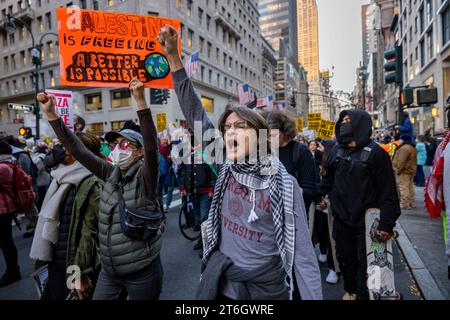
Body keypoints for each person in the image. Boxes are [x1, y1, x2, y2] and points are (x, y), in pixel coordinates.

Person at [158, 24, 322, 300]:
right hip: (225, 284)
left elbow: (303, 257)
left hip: (267, 289)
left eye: (241, 126)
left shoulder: (285, 185)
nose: (231, 131)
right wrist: (174, 58)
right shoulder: (225, 165)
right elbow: (195, 112)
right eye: (227, 126)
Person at [37, 77, 164, 300]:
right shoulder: (108, 173)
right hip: (109, 272)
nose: (118, 148)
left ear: (139, 152)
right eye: (115, 144)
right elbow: (78, 149)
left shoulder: (146, 178)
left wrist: (140, 101)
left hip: (141, 271)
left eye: (125, 144)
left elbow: (152, 146)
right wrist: (52, 115)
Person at [317, 109, 401, 300]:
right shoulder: (336, 152)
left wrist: (387, 224)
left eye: (348, 120)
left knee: (370, 269)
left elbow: (388, 193)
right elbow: (326, 183)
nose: (344, 124)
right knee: (345, 262)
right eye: (342, 120)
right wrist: (317, 196)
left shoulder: (376, 154)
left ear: (360, 124)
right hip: (341, 222)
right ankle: (352, 292)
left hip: (369, 226)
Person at [30, 133, 103, 300]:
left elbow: (87, 236)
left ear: (79, 152)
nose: (60, 151)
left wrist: (77, 274)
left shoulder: (88, 182)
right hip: (58, 262)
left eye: (65, 147)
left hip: (71, 267)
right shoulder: (61, 178)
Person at [261, 110, 318, 212]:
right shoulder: (265, 151)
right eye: (266, 136)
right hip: (267, 215)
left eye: (273, 135)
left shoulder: (301, 152)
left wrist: (284, 189)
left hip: (293, 215)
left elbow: (310, 192)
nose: (269, 139)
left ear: (285, 131)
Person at [177, 131, 216, 252]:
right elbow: (184, 171)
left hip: (205, 191)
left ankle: (207, 245)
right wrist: (183, 187)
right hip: (193, 191)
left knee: (205, 217)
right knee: (198, 217)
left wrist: (211, 188)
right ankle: (202, 240)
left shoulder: (207, 152)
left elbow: (213, 171)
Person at [6, 136, 39, 238]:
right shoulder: (16, 154)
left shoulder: (20, 154)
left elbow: (25, 172)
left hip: (25, 185)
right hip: (18, 184)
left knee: (29, 206)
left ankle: (34, 227)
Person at [0, 138, 22, 287]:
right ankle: (12, 270)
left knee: (6, 242)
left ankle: (12, 271)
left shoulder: (3, 168)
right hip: (6, 207)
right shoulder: (11, 163)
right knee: (6, 241)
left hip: (3, 208)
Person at [393, 134, 417, 209]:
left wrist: (398, 170)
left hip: (404, 171)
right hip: (410, 170)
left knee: (403, 187)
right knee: (410, 187)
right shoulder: (412, 147)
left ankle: (404, 203)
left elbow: (401, 161)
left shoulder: (404, 149)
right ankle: (411, 202)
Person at [32, 144, 51, 211]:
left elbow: (37, 171)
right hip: (45, 180)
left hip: (40, 182)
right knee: (43, 197)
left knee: (41, 198)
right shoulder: (44, 157)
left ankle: (41, 210)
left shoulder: (39, 158)